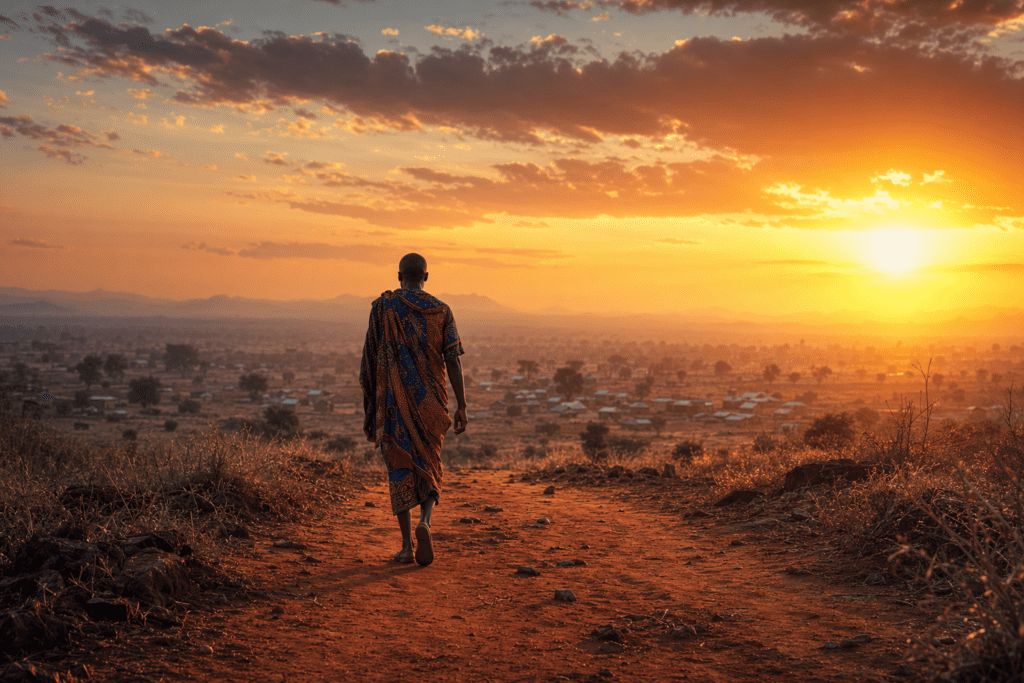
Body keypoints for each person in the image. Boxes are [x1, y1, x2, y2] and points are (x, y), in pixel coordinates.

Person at [359, 253, 468, 566]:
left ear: (398, 276)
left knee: (400, 467)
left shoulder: (383, 308)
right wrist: (461, 404)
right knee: (430, 463)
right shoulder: (441, 310)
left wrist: (373, 395)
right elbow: (453, 360)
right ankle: (427, 521)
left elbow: (369, 356)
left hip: (394, 403)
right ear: (426, 276)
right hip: (431, 402)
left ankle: (407, 546)